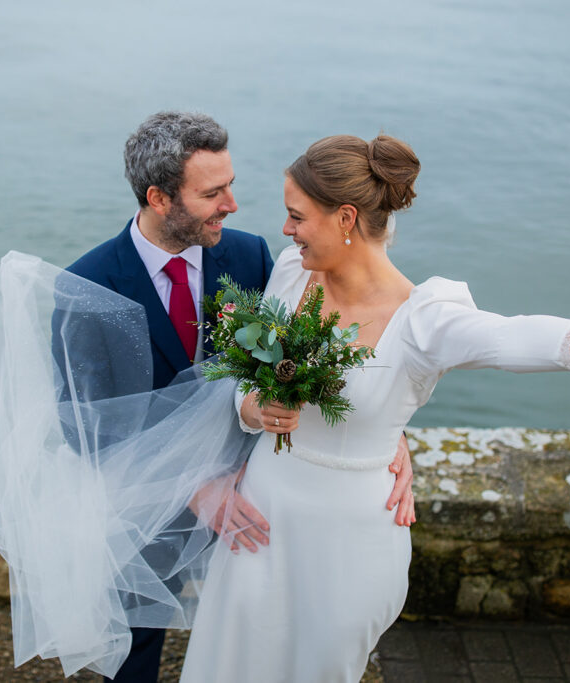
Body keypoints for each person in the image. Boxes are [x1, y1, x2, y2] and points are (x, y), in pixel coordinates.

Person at [176, 133, 570, 683]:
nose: (286, 231)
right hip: (259, 519)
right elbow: (247, 385)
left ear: (344, 218)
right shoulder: (293, 273)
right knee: (230, 659)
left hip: (347, 541)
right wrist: (255, 408)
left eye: (297, 217)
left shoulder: (424, 319)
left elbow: (523, 338)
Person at [56, 112, 416, 682]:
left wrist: (388, 435)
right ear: (158, 197)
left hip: (257, 494)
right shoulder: (88, 287)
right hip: (147, 505)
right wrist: (194, 485)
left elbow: (311, 350)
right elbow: (83, 422)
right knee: (134, 643)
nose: (233, 204)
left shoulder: (251, 258)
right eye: (213, 192)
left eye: (230, 185)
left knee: (265, 634)